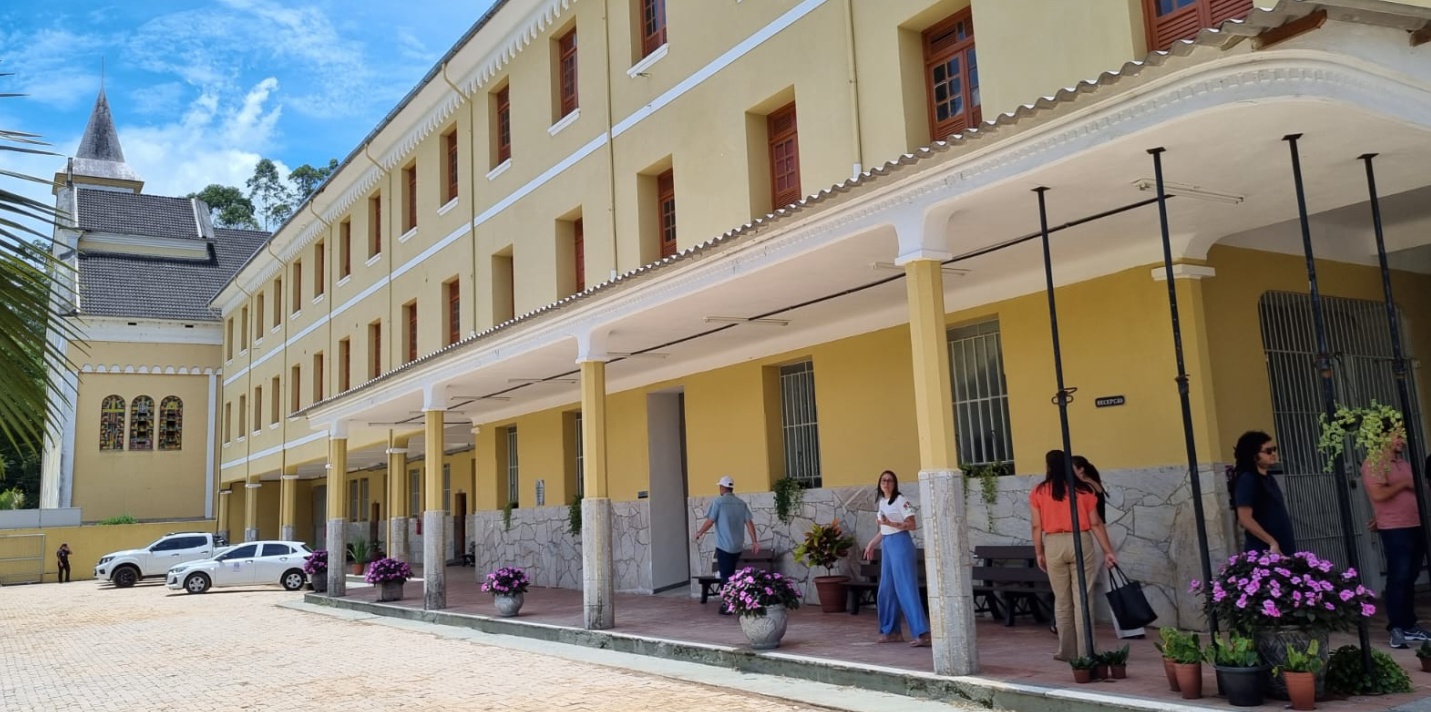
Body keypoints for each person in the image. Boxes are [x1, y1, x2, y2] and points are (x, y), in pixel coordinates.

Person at [1030, 450, 1118, 662]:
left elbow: (1036, 525)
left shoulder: (1038, 492)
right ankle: (1087, 650)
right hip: (1080, 541)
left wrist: (1039, 552)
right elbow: (1096, 523)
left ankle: (1066, 650)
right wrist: (1108, 551)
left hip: (1053, 543)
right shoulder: (1083, 491)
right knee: (1083, 599)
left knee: (1062, 600)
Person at [1361, 424, 1430, 649]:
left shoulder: (1404, 464)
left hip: (1416, 524)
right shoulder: (1374, 463)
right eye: (1398, 436)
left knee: (1410, 576)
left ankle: (1409, 624)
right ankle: (1397, 627)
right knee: (1398, 576)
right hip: (1395, 528)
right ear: (1382, 437)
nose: (1402, 441)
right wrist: (1404, 484)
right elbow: (1379, 494)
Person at [1071, 456, 1145, 640]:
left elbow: (1090, 519)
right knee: (1113, 581)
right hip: (1104, 532)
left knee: (1084, 581)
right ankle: (1132, 627)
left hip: (1093, 535)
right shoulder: (1095, 484)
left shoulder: (1083, 488)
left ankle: (1064, 623)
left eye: (1071, 468)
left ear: (1081, 470)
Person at [861, 470, 931, 648]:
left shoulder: (900, 500)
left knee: (906, 588)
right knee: (886, 589)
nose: (886, 483)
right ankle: (891, 631)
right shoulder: (883, 502)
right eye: (883, 480)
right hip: (888, 545)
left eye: (890, 480)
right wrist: (871, 544)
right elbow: (884, 530)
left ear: (895, 483)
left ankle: (922, 633)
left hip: (901, 545)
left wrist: (890, 523)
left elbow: (912, 524)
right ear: (879, 484)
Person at [694, 475, 758, 615]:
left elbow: (710, 521)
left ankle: (728, 604)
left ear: (722, 487)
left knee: (726, 575)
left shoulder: (718, 502)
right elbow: (749, 523)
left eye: (720, 486)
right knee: (730, 574)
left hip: (724, 546)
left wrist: (700, 532)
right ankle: (732, 601)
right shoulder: (741, 503)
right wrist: (754, 541)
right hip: (737, 546)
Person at [1231, 430, 1296, 554]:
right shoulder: (1248, 479)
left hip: (1282, 551)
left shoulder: (1269, 479)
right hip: (1264, 552)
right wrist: (1271, 542)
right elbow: (1245, 518)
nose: (1273, 454)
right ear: (1254, 455)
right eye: (1268, 451)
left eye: (1274, 449)